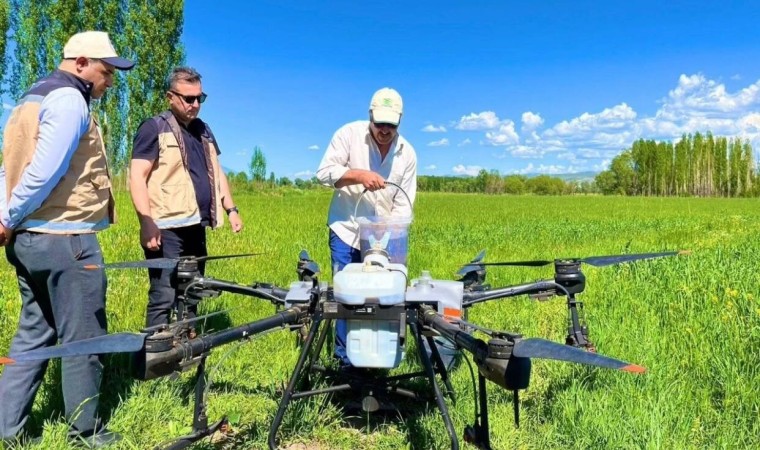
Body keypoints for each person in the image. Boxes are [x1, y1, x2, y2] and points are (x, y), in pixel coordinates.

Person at [0, 31, 134, 447]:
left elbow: (8, 167)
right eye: (106, 71)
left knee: (33, 335)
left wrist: (6, 218)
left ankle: (6, 428)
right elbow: (44, 171)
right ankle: (85, 431)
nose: (110, 81)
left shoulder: (29, 98)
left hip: (29, 240)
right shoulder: (70, 100)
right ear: (80, 62)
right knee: (84, 339)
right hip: (66, 239)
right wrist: (9, 216)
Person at [130, 67, 243, 328]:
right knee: (163, 294)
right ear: (170, 97)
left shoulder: (204, 130)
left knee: (193, 289)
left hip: (196, 224)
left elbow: (217, 171)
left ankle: (187, 341)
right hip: (165, 228)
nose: (195, 104)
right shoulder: (153, 128)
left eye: (199, 98)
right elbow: (137, 176)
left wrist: (231, 209)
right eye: (188, 98)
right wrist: (146, 222)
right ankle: (155, 346)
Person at [316, 87, 417, 367]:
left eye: (391, 125)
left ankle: (379, 355)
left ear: (400, 120)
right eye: (379, 123)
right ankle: (345, 361)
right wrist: (359, 175)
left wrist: (389, 231)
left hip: (385, 238)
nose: (384, 130)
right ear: (370, 116)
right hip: (347, 229)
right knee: (346, 296)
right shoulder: (348, 134)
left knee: (384, 297)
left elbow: (404, 204)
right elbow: (323, 173)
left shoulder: (407, 153)